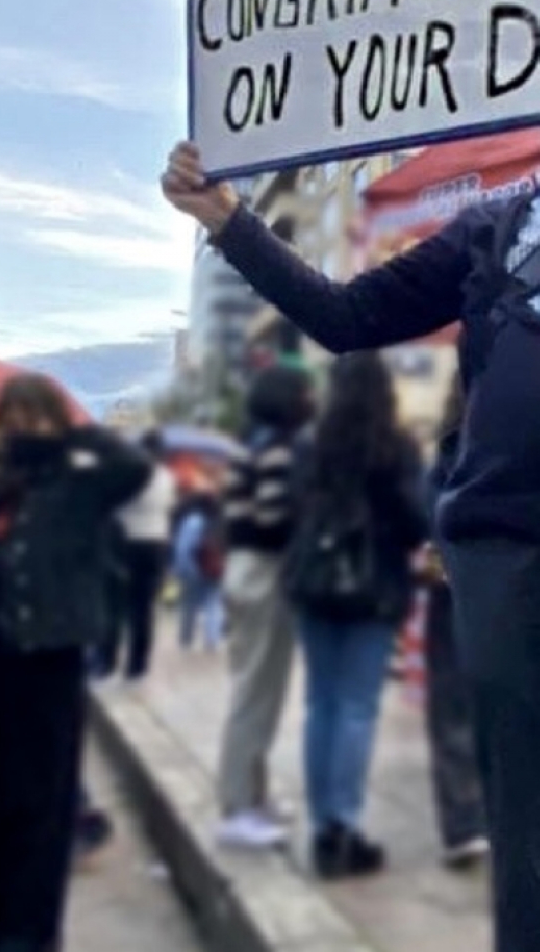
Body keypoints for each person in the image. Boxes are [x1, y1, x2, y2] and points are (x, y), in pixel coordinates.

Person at [163, 28, 540, 952]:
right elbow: (346, 315)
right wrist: (227, 219)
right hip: (507, 559)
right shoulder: (484, 230)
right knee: (524, 832)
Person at [0, 374, 152, 952]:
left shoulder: (80, 483)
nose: (21, 432)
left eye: (34, 420)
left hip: (48, 657)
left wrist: (75, 430)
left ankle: (29, 930)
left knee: (41, 798)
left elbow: (133, 467)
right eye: (11, 420)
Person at [283, 353, 428, 878]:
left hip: (315, 585)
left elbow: (294, 511)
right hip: (374, 588)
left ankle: (323, 828)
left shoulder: (309, 445)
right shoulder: (395, 447)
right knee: (356, 708)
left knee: (320, 703)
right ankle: (344, 826)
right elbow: (417, 523)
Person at [211, 363, 315, 851]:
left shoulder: (249, 445)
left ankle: (253, 797)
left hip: (246, 569)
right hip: (265, 573)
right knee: (256, 693)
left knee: (257, 691)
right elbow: (274, 519)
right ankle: (236, 807)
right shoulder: (277, 451)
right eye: (305, 393)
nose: (312, 399)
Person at [422, 381, 488, 869]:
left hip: (450, 589)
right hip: (511, 592)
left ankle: (463, 823)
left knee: (451, 710)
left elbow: (425, 516)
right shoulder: (519, 446)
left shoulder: (447, 454)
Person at [96, 431, 175, 683]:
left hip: (126, 540)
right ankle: (137, 665)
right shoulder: (167, 476)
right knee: (143, 608)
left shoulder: (132, 471)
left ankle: (106, 661)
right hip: (156, 542)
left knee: (113, 604)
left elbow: (115, 502)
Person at [173, 486, 225, 652]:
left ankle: (186, 639)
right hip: (215, 567)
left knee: (189, 604)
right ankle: (212, 639)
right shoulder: (220, 521)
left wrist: (182, 569)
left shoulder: (193, 521)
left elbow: (183, 549)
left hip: (194, 567)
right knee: (213, 602)